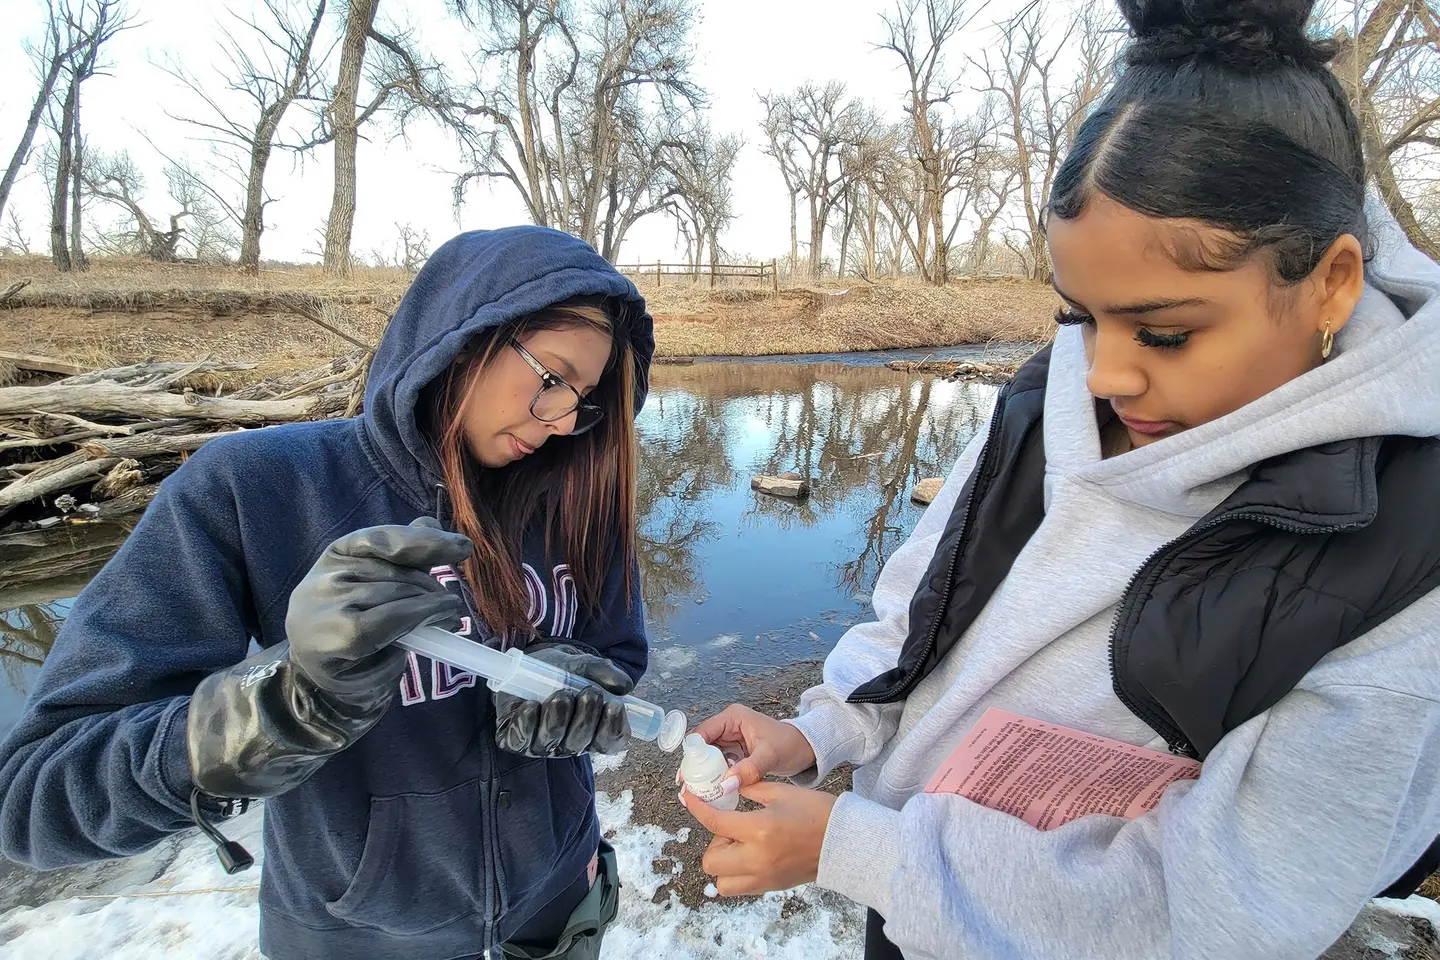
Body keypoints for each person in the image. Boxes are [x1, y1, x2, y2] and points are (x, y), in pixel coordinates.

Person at [682, 2, 1440, 958]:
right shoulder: (1050, 398)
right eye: (1081, 316)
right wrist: (821, 732)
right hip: (917, 915)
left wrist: (863, 851)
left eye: (1165, 332)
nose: (1109, 375)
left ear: (1331, 281)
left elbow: (1223, 905)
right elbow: (926, 614)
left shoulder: (1407, 553)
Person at [0, 227, 655, 960]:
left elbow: (616, 654)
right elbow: (33, 801)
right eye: (553, 377)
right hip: (359, 937)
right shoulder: (255, 490)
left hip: (558, 909)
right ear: (466, 340)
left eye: (585, 398)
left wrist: (583, 688)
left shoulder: (576, 492)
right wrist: (272, 709)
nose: (564, 421)